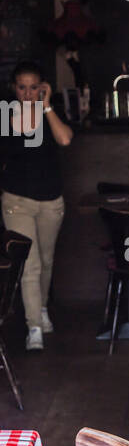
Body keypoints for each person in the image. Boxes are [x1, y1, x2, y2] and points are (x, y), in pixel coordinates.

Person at [0, 61, 73, 351]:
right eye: (22, 87)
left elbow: (65, 138)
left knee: (45, 260)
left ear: (42, 87)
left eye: (34, 87)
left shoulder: (48, 112)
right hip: (17, 200)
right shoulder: (5, 113)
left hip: (51, 200)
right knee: (28, 265)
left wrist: (46, 105)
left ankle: (41, 309)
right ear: (13, 88)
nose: (27, 93)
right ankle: (34, 328)